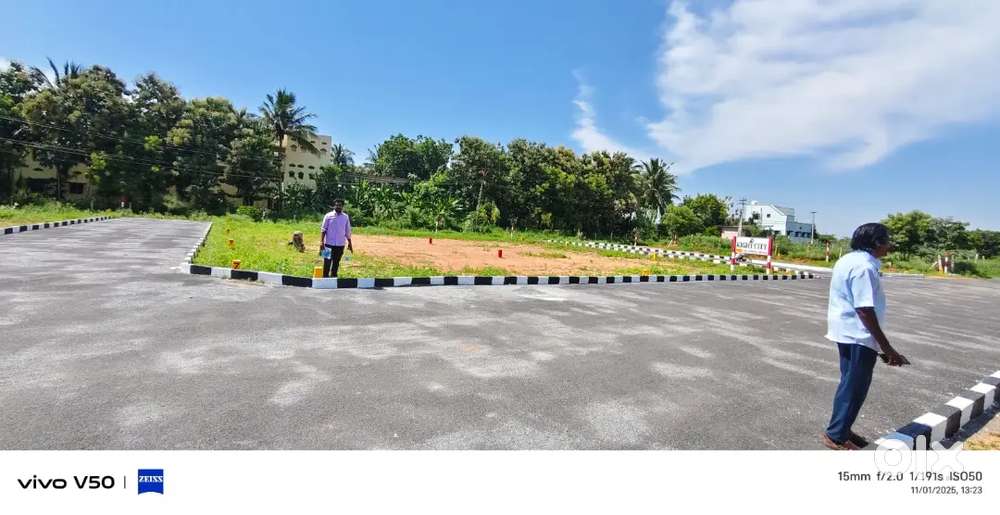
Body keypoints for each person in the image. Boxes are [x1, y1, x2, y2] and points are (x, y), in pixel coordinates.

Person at [822, 222, 910, 450]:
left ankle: (842, 427)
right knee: (855, 387)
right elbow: (864, 309)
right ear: (877, 243)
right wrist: (887, 348)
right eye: (887, 241)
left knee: (849, 383)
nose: (889, 245)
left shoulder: (848, 260)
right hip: (858, 334)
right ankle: (836, 435)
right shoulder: (864, 267)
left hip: (845, 330)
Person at [319, 199, 353, 278]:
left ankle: (334, 277)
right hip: (328, 244)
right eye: (337, 205)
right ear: (334, 206)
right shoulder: (328, 215)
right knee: (326, 262)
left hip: (340, 245)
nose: (338, 207)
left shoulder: (345, 217)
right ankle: (325, 278)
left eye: (340, 205)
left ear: (342, 206)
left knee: (336, 262)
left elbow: (348, 231)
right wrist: (321, 242)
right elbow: (323, 229)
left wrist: (350, 243)